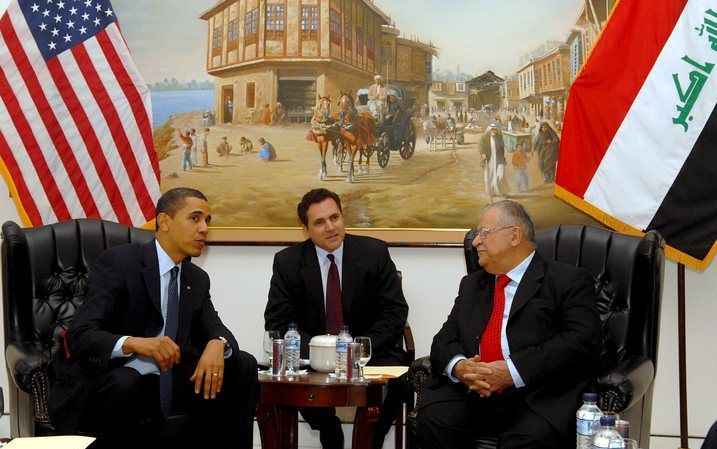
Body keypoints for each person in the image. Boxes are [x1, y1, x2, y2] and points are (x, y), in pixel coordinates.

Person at [48, 188, 259, 449]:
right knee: (126, 383)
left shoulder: (196, 278)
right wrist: (136, 343)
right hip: (116, 376)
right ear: (164, 221)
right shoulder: (121, 262)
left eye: (207, 220)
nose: (204, 228)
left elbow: (214, 326)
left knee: (244, 365)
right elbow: (82, 333)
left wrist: (218, 342)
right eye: (195, 218)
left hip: (165, 378)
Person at [415, 200, 602, 449]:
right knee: (434, 418)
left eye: (484, 233)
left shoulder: (565, 280)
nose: (475, 242)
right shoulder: (472, 285)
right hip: (476, 393)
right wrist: (461, 368)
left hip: (538, 395)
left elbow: (583, 341)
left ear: (514, 236)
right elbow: (444, 340)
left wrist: (512, 372)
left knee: (528, 439)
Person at [265, 188, 409, 449]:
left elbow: (395, 312)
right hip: (313, 357)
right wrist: (324, 353)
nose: (330, 227)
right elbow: (278, 320)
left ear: (343, 217)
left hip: (369, 353)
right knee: (288, 377)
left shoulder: (373, 252)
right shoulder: (287, 262)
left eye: (335, 217)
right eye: (319, 222)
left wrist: (356, 350)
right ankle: (328, 430)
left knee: (398, 381)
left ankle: (369, 443)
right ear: (306, 228)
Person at [480, 125, 509, 203]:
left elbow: (502, 149)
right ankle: (491, 192)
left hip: (499, 160)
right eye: (492, 130)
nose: (494, 131)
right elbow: (481, 147)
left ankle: (501, 191)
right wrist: (483, 154)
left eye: (495, 129)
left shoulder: (499, 137)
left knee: (501, 175)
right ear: (489, 130)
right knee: (489, 176)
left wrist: (503, 159)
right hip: (489, 160)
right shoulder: (484, 137)